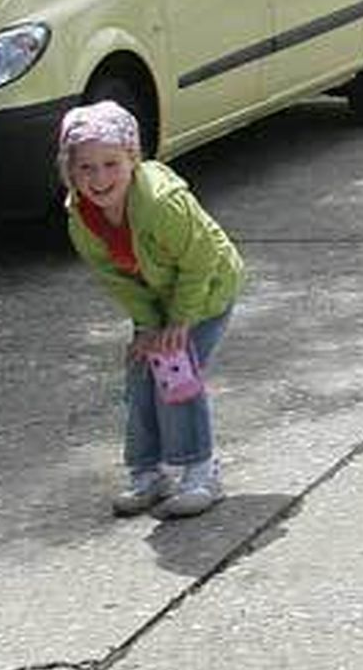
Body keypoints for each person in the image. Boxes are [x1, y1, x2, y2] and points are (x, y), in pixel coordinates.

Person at [59, 100, 244, 519]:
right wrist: (146, 325)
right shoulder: (80, 219)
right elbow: (115, 277)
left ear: (133, 161)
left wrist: (180, 322)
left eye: (110, 164)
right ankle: (148, 471)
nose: (99, 178)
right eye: (85, 168)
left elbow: (200, 261)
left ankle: (201, 469)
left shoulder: (162, 205)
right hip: (159, 297)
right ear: (70, 172)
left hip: (207, 289)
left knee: (175, 367)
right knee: (142, 367)